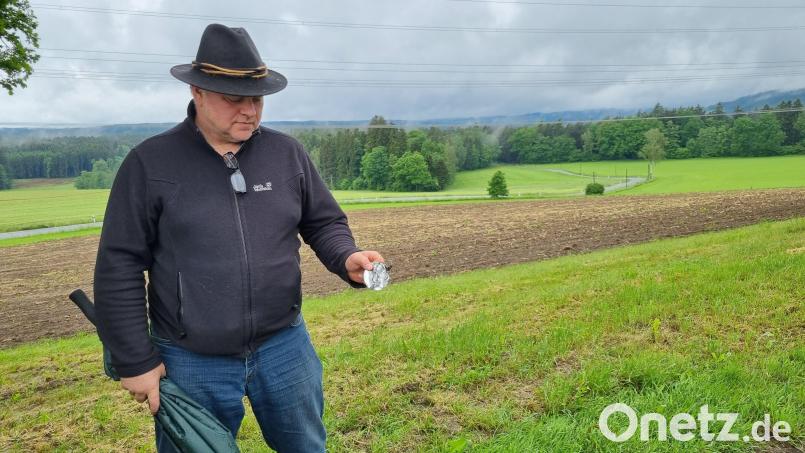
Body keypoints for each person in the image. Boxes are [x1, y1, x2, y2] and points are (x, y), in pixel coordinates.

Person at [93, 23, 384, 452]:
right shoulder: (149, 164)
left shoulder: (287, 154)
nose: (249, 110)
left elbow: (323, 222)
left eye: (257, 98)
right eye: (234, 98)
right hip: (189, 360)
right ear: (198, 92)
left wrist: (346, 257)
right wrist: (136, 358)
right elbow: (119, 265)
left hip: (285, 348)